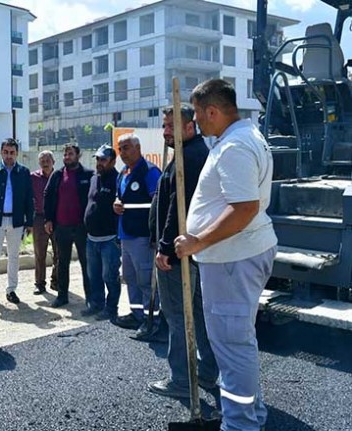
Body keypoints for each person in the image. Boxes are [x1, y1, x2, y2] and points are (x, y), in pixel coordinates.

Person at [175, 78, 277, 431]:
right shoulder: (242, 139)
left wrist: (197, 241)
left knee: (232, 348)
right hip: (236, 256)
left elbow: (244, 208)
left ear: (213, 111)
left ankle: (241, 424)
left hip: (232, 259)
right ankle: (250, 416)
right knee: (238, 343)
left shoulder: (234, 148)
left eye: (198, 114)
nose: (196, 121)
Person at [147, 105, 218, 399]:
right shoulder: (192, 153)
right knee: (197, 314)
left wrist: (165, 248)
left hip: (177, 253)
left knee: (177, 315)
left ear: (190, 127)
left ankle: (180, 379)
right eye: (164, 126)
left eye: (170, 126)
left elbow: (181, 210)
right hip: (190, 250)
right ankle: (207, 371)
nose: (165, 132)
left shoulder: (189, 158)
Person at [113, 133, 162, 337]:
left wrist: (155, 237)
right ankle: (136, 314)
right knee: (130, 278)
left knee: (145, 280)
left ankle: (153, 319)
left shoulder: (149, 172)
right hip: (126, 236)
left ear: (138, 148)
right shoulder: (123, 172)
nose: (122, 152)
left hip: (143, 237)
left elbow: (159, 204)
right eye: (120, 148)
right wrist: (116, 201)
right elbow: (120, 195)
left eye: (126, 148)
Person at [0, 138, 34, 306]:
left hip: (16, 220)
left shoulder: (24, 172)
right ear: (1, 152)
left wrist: (30, 222)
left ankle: (11, 290)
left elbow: (29, 198)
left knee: (14, 257)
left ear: (17, 153)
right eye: (6, 152)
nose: (9, 156)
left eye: (12, 152)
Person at [43, 142, 93, 308]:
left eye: (70, 154)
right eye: (65, 154)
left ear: (78, 155)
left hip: (82, 227)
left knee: (87, 263)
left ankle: (91, 298)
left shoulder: (88, 175)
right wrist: (48, 220)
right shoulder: (57, 175)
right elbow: (48, 196)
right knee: (62, 263)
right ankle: (62, 296)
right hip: (62, 227)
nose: (67, 157)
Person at [82, 144, 121, 322]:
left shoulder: (118, 179)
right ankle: (96, 304)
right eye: (97, 159)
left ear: (113, 161)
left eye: (103, 160)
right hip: (91, 239)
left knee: (109, 275)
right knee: (94, 275)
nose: (99, 163)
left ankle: (111, 308)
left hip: (110, 239)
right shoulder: (94, 178)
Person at [30, 150, 58, 294]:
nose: (45, 163)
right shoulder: (33, 177)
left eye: (48, 160)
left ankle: (56, 281)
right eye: (42, 160)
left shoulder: (60, 176)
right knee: (39, 253)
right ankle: (40, 283)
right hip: (39, 218)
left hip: (58, 219)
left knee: (58, 252)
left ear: (54, 162)